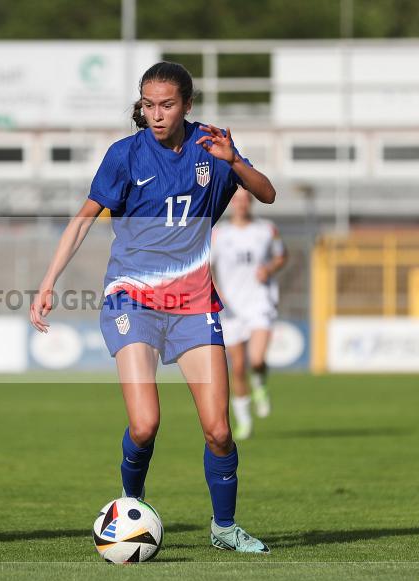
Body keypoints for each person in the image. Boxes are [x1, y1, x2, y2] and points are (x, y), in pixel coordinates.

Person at [30, 62, 276, 553]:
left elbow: (266, 193)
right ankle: (129, 507)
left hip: (193, 303)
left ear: (187, 104)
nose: (156, 114)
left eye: (166, 105)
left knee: (219, 431)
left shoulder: (213, 145)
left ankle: (224, 529)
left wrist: (237, 161)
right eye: (148, 105)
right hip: (132, 299)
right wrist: (47, 282)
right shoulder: (124, 155)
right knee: (144, 424)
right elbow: (82, 221)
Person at [212, 188, 287, 440]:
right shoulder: (219, 234)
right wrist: (215, 290)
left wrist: (269, 268)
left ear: (251, 203)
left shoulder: (267, 229)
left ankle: (261, 383)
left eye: (245, 200)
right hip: (231, 308)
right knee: (239, 366)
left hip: (260, 302)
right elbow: (205, 265)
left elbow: (281, 256)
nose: (241, 204)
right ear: (231, 202)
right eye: (237, 199)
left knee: (256, 359)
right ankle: (244, 420)